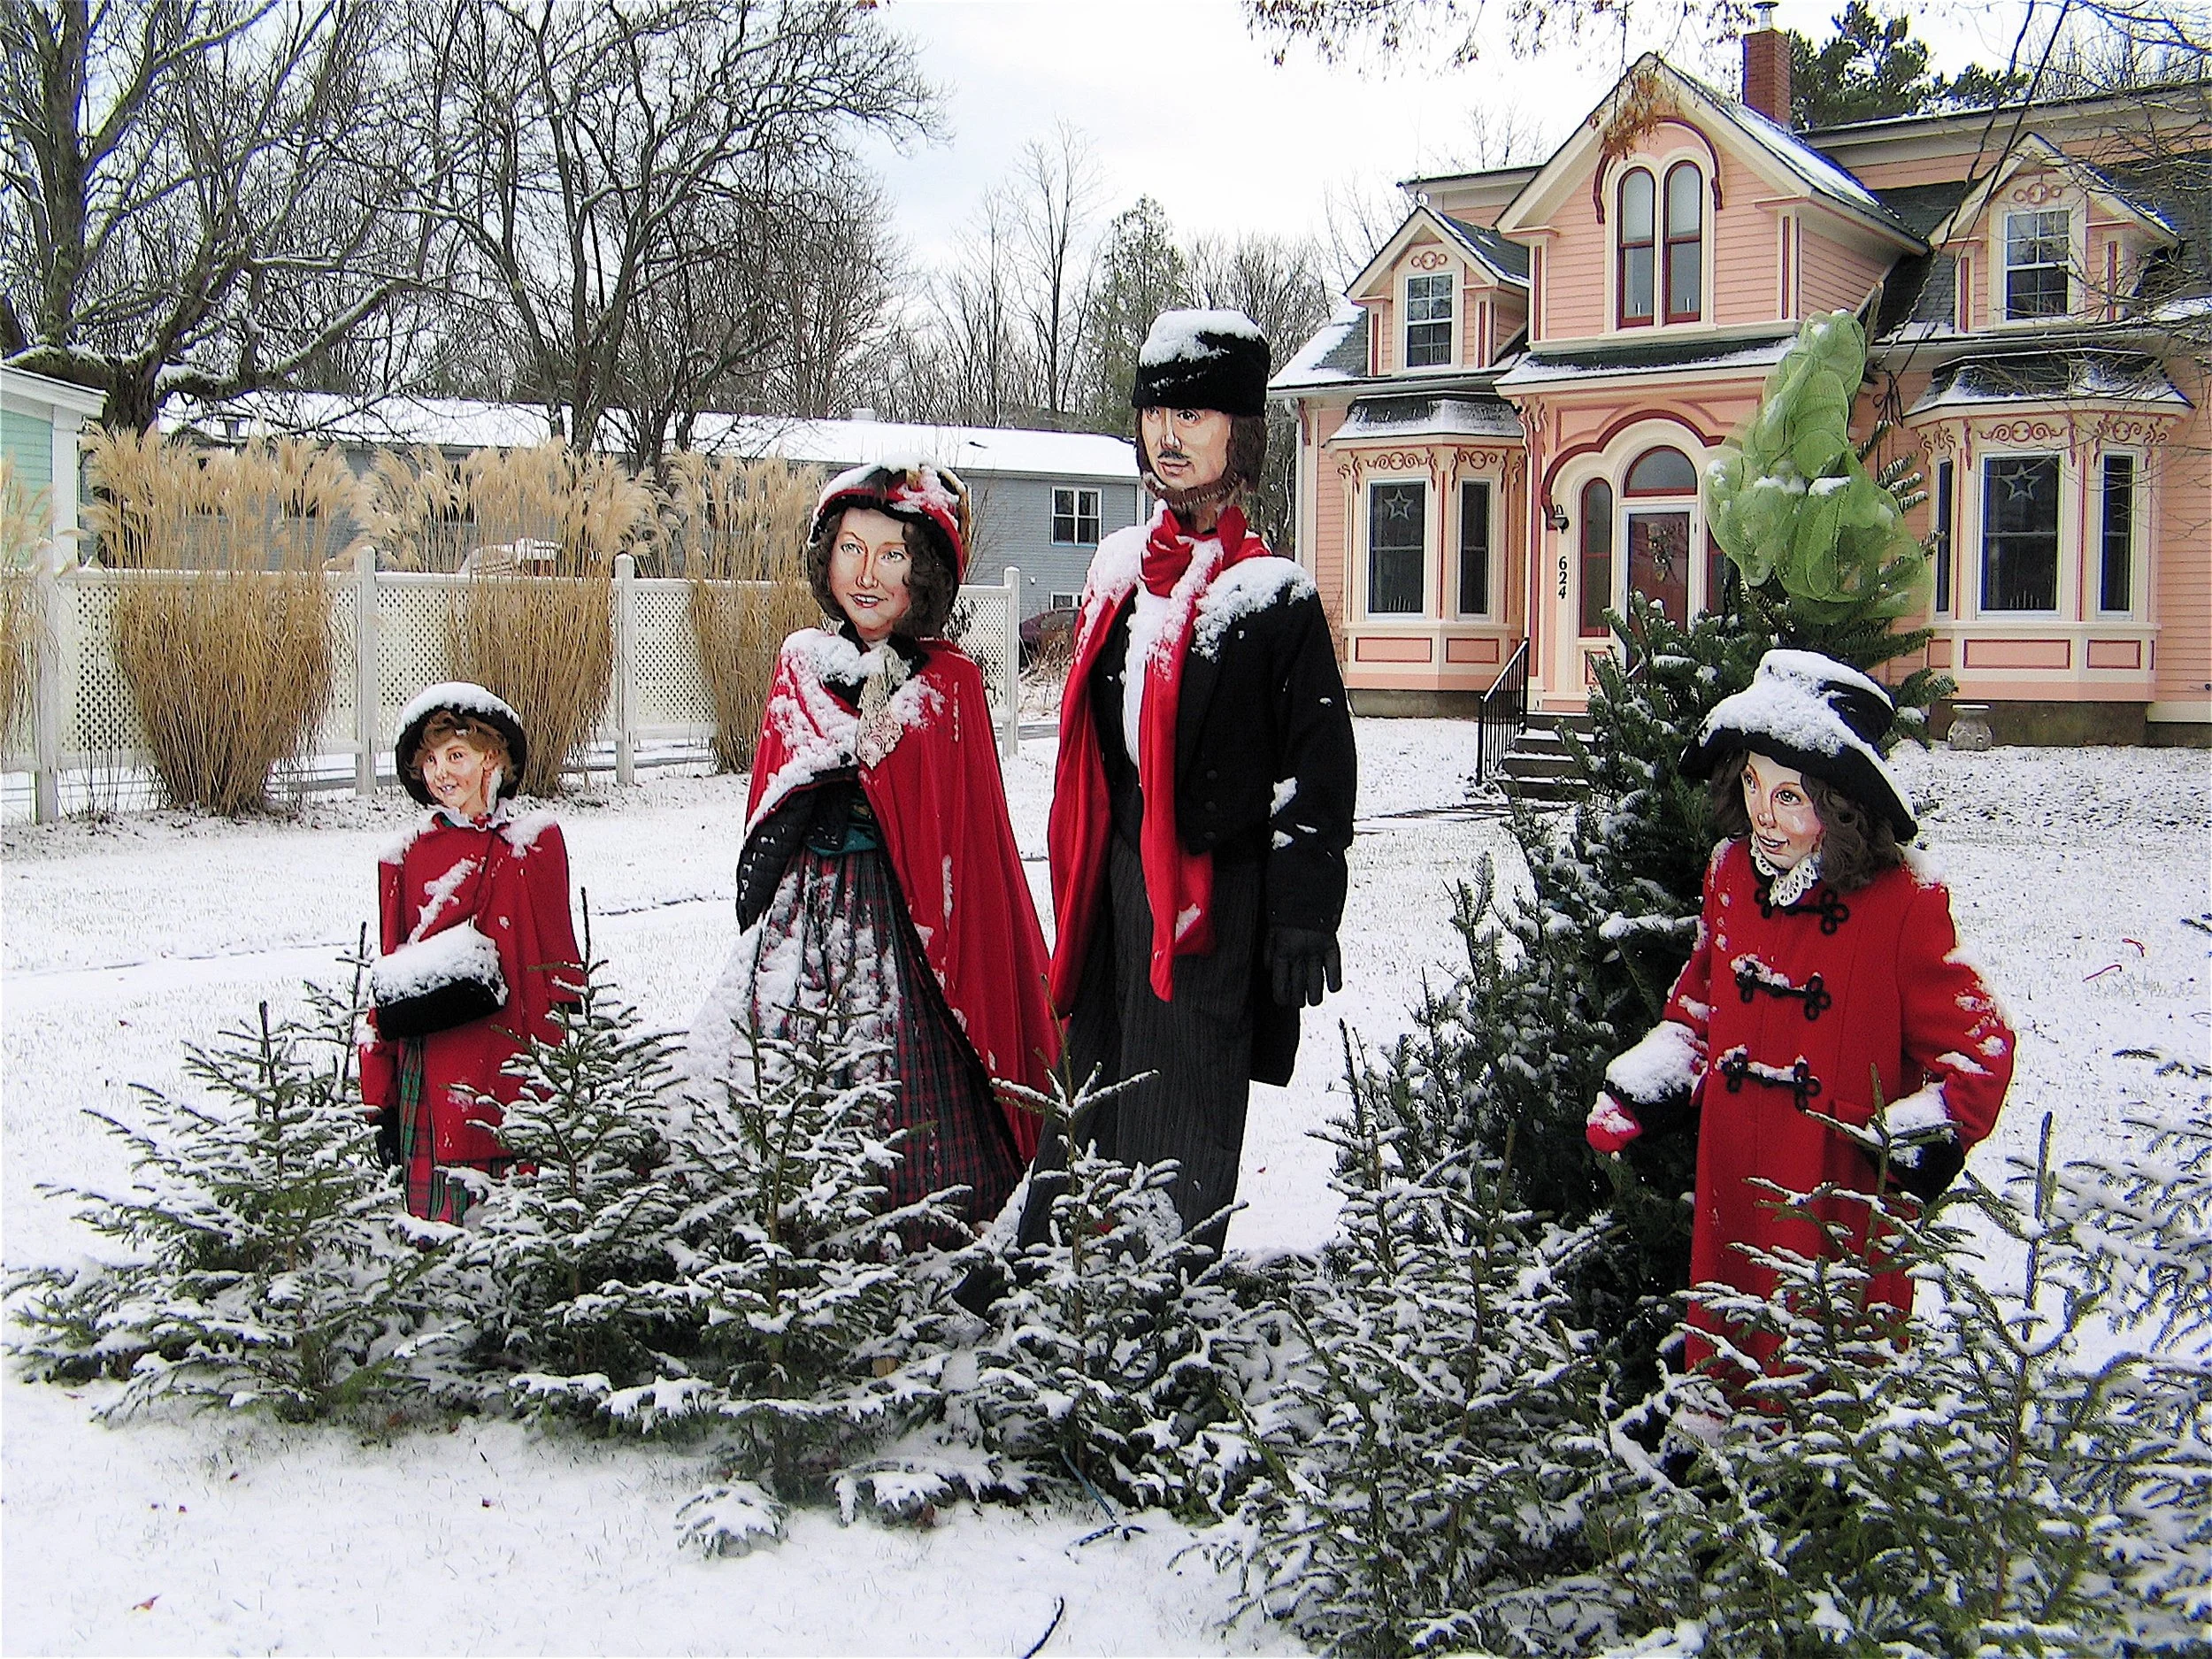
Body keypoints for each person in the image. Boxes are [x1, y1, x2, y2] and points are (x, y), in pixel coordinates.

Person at [1021, 308, 1358, 1256]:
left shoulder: (1274, 597)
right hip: (1114, 876)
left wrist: (1302, 912)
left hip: (1211, 896)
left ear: (1240, 438)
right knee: (1093, 1079)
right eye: (1156, 413)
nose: (1168, 435)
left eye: (1196, 416)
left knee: (1183, 1099)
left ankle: (1161, 1297)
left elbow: (1317, 772)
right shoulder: (1118, 572)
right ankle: (1056, 1274)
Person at [1587, 649, 2016, 1380]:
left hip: (1835, 1193)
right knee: (1724, 1357)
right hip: (1735, 1175)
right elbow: (1700, 1006)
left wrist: (1917, 1138)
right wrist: (1647, 1084)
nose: (1762, 811)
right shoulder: (1730, 875)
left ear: (1841, 800)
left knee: (1817, 1383)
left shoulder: (1903, 903)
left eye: (1790, 795)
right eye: (1753, 782)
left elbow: (1981, 1045)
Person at [689, 459, 1055, 1235]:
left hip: (906, 924)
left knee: (900, 1068)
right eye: (852, 548)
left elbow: (963, 829)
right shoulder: (800, 665)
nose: (868, 572)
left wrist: (887, 756)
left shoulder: (948, 682)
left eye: (892, 555)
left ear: (922, 572)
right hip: (809, 909)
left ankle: (920, 1225)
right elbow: (776, 787)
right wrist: (845, 759)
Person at [361, 684, 582, 1223]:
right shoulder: (405, 856)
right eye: (431, 761)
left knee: (513, 1219)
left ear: (495, 759)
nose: (441, 772)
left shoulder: (534, 841)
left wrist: (570, 1051)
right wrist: (379, 1094)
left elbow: (561, 963)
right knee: (438, 1226)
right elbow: (390, 978)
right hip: (434, 1064)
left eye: (456, 755)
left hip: (513, 1057)